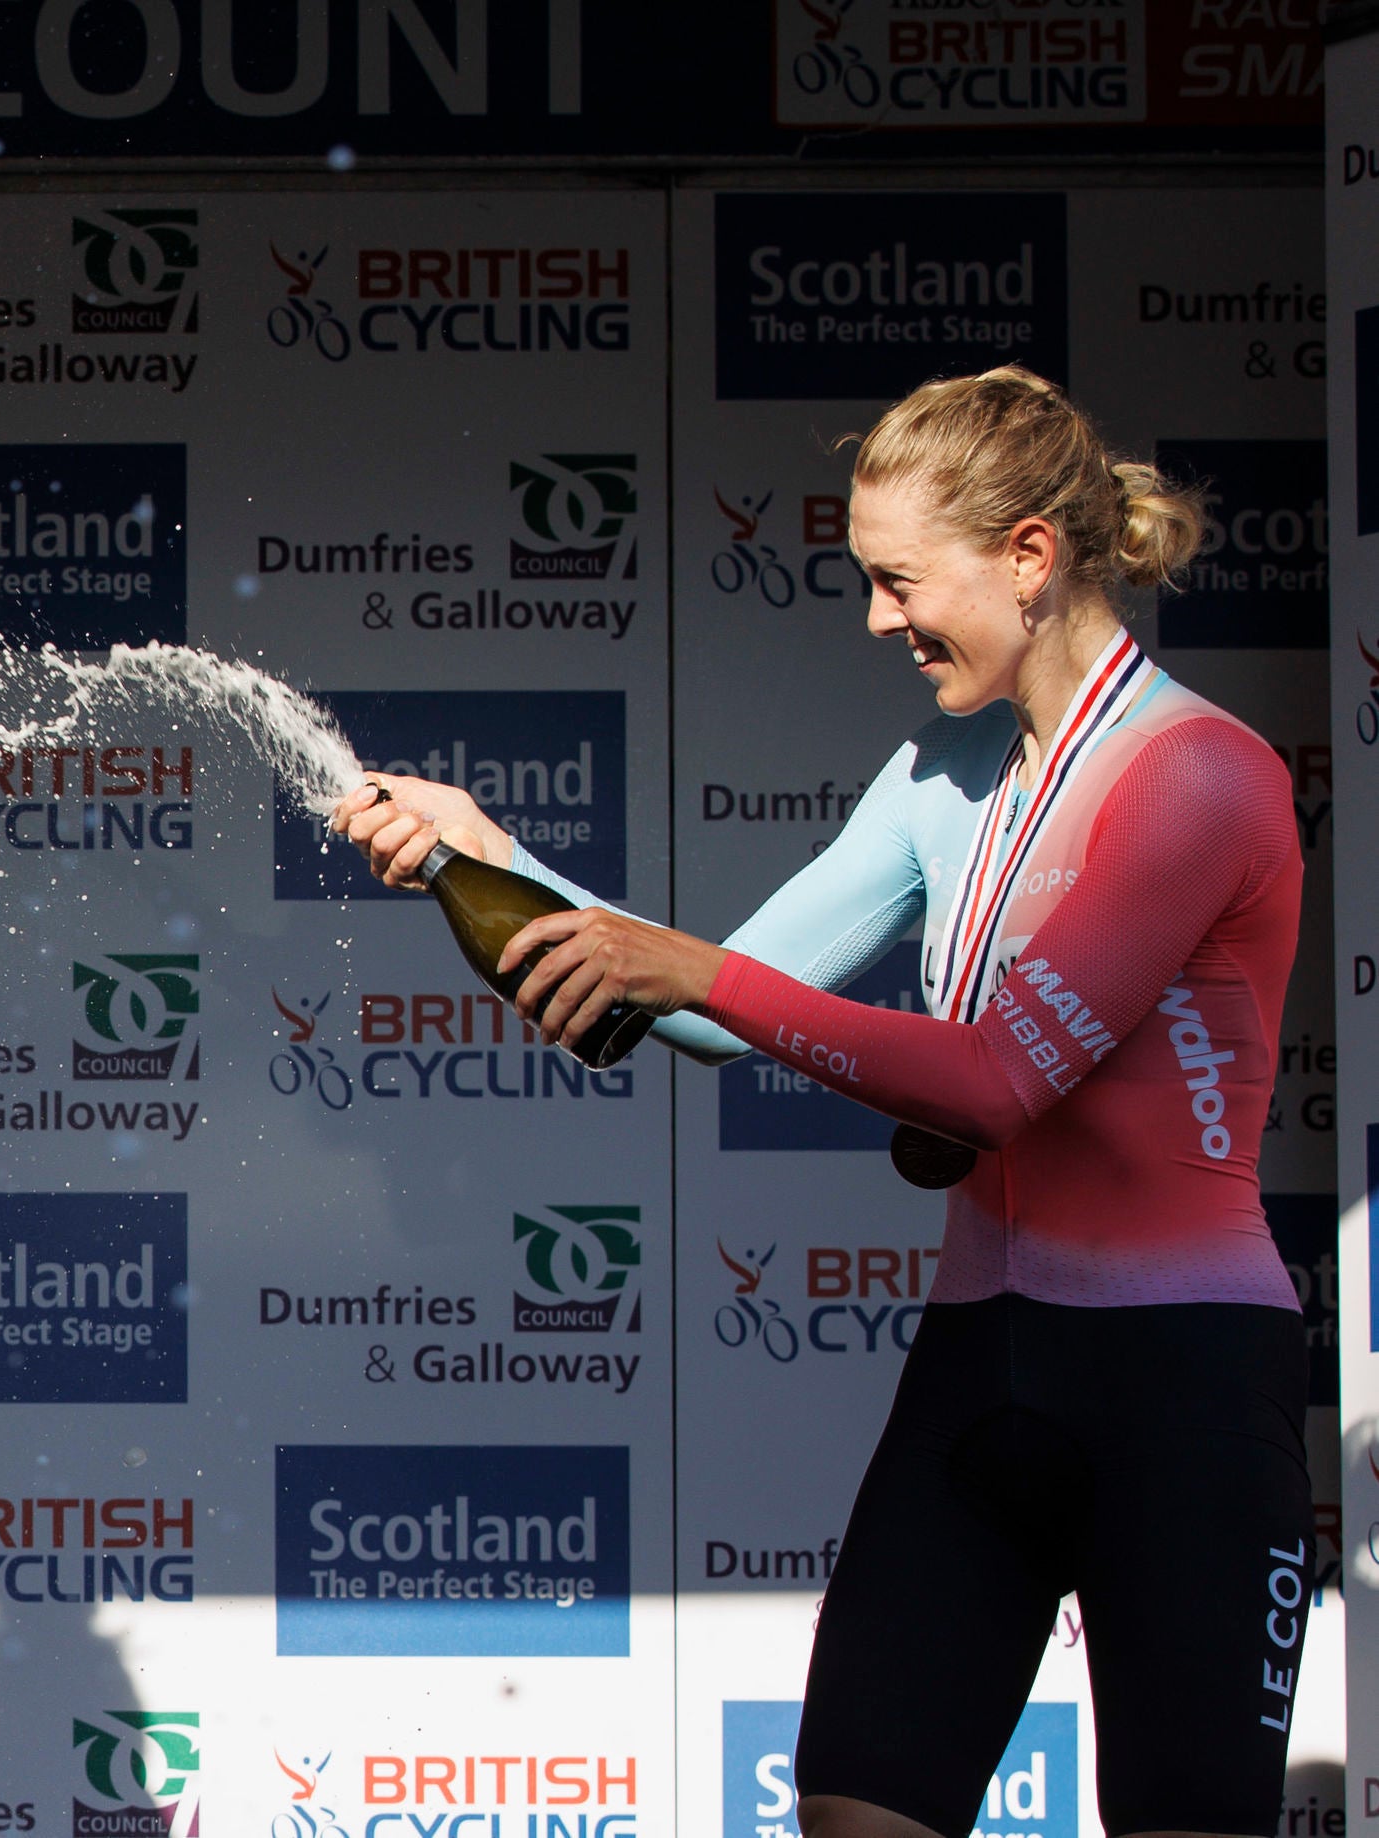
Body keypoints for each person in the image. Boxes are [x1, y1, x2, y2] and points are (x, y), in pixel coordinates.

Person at [337, 366, 1299, 1837]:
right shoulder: (942, 770)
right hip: (982, 1361)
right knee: (858, 1807)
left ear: (1030, 559)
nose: (875, 620)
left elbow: (994, 1079)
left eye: (898, 581)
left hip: (1180, 1384)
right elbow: (722, 1004)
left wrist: (692, 971)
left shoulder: (1199, 774)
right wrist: (489, 854)